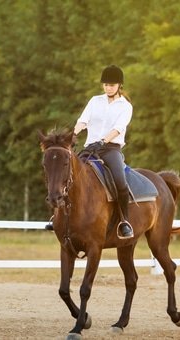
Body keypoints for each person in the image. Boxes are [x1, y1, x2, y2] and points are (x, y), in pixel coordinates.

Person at [46, 65, 135, 239]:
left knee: (120, 182)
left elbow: (118, 128)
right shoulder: (95, 101)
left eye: (111, 85)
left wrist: (103, 141)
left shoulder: (125, 106)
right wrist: (72, 135)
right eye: (105, 85)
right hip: (90, 148)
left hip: (110, 149)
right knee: (68, 174)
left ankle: (124, 221)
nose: (108, 87)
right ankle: (57, 216)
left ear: (119, 85)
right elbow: (83, 121)